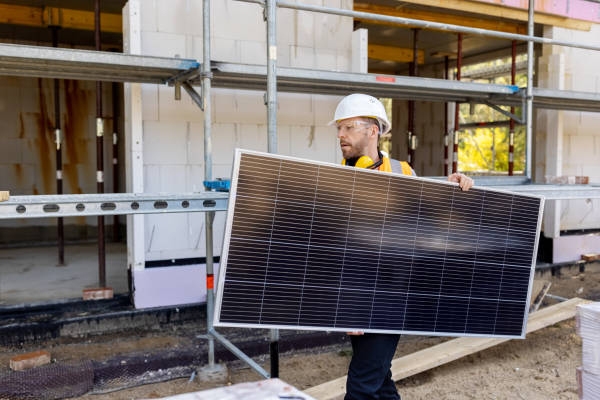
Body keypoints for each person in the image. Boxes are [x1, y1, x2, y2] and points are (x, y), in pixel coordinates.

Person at [330, 93, 474, 400]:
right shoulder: (337, 178)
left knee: (361, 385)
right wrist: (346, 305)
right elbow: (337, 249)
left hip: (392, 294)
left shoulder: (402, 171)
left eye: (349, 127)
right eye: (339, 128)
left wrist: (454, 188)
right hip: (358, 294)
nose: (341, 134)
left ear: (373, 131)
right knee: (380, 380)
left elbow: (429, 218)